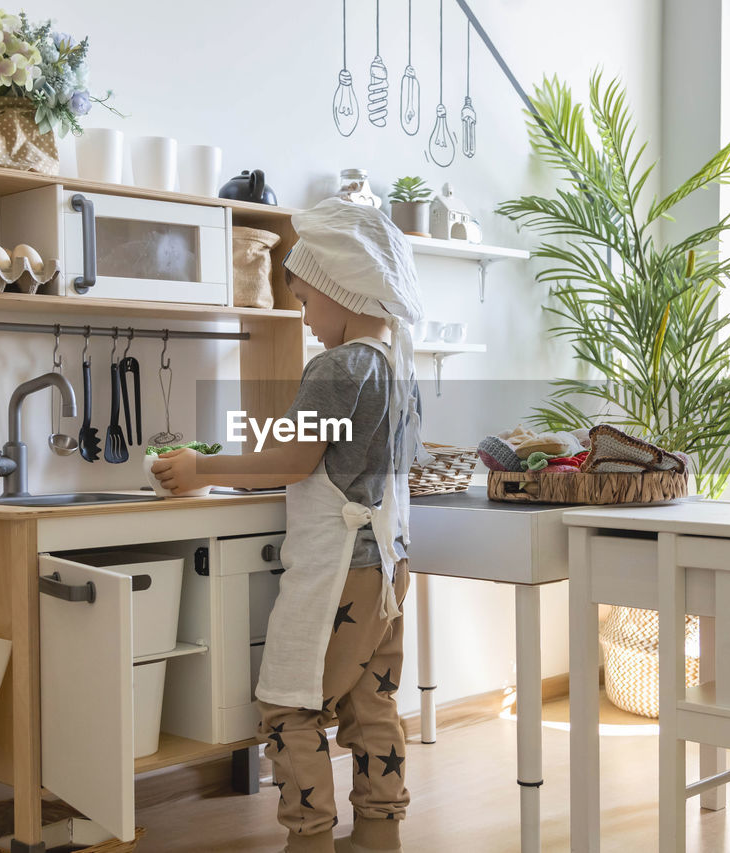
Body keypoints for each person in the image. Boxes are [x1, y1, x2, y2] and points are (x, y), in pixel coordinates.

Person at [152, 197, 426, 853]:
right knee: (371, 702)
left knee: (288, 705)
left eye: (306, 299)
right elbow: (331, 451)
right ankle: (380, 833)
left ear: (341, 287)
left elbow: (293, 460)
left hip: (341, 573)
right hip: (388, 567)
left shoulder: (336, 366)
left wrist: (202, 467)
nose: (304, 317)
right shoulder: (395, 366)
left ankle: (308, 839)